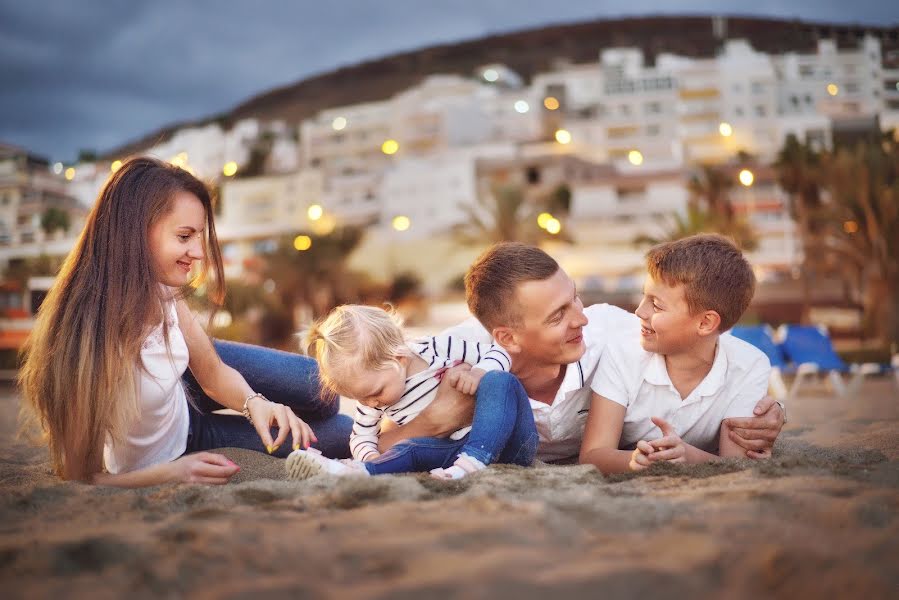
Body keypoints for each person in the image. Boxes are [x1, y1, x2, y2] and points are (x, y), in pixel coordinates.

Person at [18, 157, 351, 487]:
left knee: (322, 388)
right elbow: (82, 477)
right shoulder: (87, 337)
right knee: (342, 433)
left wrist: (256, 404)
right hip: (180, 446)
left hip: (183, 393)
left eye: (199, 236)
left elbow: (212, 373)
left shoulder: (161, 288)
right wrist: (173, 473)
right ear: (135, 233)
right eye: (184, 236)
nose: (199, 252)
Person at [374, 242, 785, 463]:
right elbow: (371, 437)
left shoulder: (611, 330)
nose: (581, 320)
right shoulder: (450, 359)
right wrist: (435, 419)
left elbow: (704, 336)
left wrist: (770, 411)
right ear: (508, 338)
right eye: (559, 316)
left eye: (576, 300)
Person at [579, 234, 771, 473]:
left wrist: (687, 456)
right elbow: (593, 454)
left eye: (657, 305)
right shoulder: (622, 352)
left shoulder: (750, 365)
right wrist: (634, 461)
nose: (640, 311)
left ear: (705, 323)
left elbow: (736, 464)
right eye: (644, 296)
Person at [284, 304, 537, 480]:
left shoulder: (437, 348)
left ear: (399, 358)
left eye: (376, 392)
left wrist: (477, 373)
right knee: (411, 448)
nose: (369, 403)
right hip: (453, 455)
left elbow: (501, 352)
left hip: (510, 445)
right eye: (359, 398)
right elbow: (360, 436)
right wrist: (370, 456)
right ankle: (361, 472)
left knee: (501, 381)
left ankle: (475, 460)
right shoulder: (370, 400)